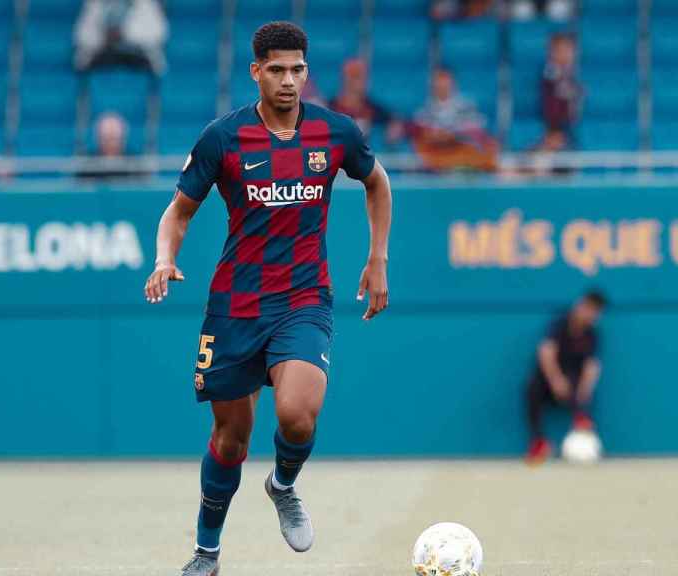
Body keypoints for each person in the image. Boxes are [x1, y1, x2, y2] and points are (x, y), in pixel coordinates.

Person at [143, 21, 392, 576]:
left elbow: (377, 182)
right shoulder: (223, 138)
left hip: (304, 298)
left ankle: (282, 484)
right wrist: (165, 258)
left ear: (307, 72)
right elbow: (178, 211)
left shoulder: (335, 133)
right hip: (235, 306)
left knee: (298, 416)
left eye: (296, 70)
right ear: (255, 71)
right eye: (275, 70)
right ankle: (207, 551)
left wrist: (377, 259)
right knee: (231, 441)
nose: (287, 81)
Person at [525, 290, 606, 464]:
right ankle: (539, 442)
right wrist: (556, 380)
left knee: (578, 384)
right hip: (550, 381)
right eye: (589, 309)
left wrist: (585, 390)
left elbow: (592, 365)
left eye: (596, 312)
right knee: (532, 388)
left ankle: (582, 423)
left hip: (573, 383)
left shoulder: (592, 334)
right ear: (581, 306)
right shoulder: (560, 324)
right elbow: (546, 352)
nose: (591, 315)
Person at [412, 67, 499, 172]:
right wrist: (441, 136)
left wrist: (453, 135)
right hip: (439, 155)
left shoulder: (467, 107)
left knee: (486, 154)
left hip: (462, 151)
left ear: (453, 84)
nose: (443, 87)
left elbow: (476, 132)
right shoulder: (424, 112)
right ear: (433, 87)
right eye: (439, 84)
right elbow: (425, 137)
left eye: (446, 83)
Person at [74, 0, 167, 74]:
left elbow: (159, 33)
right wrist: (103, 36)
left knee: (155, 62)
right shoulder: (95, 4)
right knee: (83, 61)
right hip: (103, 55)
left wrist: (125, 33)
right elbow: (81, 36)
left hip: (138, 55)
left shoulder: (147, 4)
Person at [328, 58, 403, 147]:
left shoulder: (372, 108)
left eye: (362, 77)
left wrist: (393, 130)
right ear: (345, 79)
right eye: (354, 77)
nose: (359, 82)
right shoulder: (330, 108)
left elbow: (394, 122)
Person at [541, 33, 583, 150]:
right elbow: (561, 93)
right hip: (553, 125)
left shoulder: (571, 73)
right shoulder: (550, 73)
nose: (566, 55)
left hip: (566, 126)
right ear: (551, 53)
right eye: (560, 51)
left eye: (569, 51)